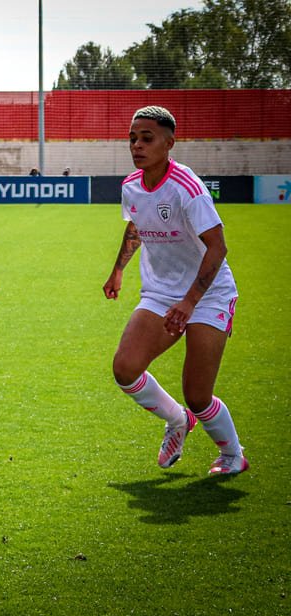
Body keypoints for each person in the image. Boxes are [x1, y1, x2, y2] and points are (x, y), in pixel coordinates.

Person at [103, 105, 247, 475]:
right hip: (160, 294)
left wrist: (190, 301)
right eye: (132, 138)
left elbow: (218, 247)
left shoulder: (188, 188)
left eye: (146, 138)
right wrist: (118, 270)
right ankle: (177, 420)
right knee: (125, 369)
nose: (137, 145)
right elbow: (136, 226)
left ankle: (233, 454)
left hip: (209, 294)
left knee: (198, 395)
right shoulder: (131, 185)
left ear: (169, 142)